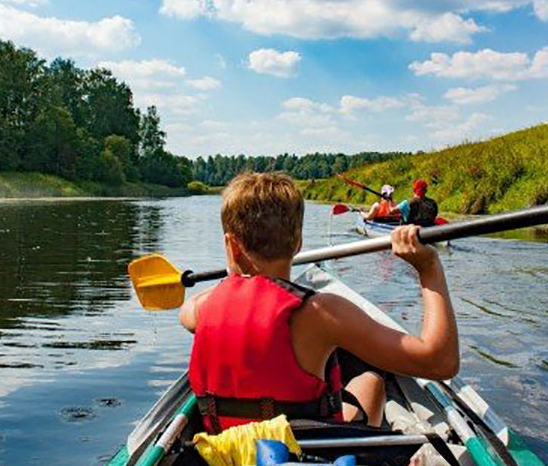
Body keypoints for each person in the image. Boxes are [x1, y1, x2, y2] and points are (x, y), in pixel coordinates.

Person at [179, 172, 458, 434]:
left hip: (225, 453)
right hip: (308, 455)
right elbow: (440, 362)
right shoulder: (323, 313)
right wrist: (429, 267)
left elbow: (191, 310)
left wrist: (236, 272)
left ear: (231, 246)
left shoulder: (198, 309)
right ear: (298, 242)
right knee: (371, 381)